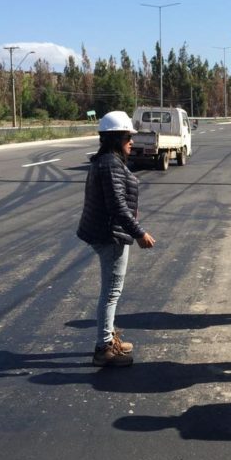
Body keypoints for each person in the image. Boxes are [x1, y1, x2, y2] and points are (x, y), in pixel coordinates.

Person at [77, 110, 156, 367]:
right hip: (109, 235)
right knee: (111, 292)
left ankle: (109, 338)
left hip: (105, 231)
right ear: (116, 139)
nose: (132, 141)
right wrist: (140, 233)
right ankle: (104, 348)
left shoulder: (106, 161)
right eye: (127, 137)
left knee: (111, 291)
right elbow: (117, 207)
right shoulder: (110, 164)